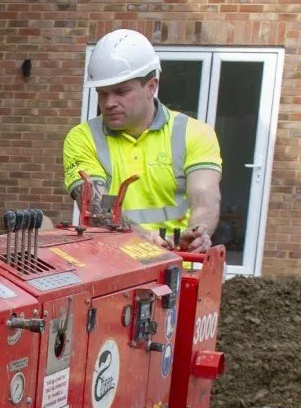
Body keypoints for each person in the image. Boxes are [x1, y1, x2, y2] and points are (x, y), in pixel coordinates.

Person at [61, 29, 222, 252]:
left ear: (151, 86)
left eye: (121, 91)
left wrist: (197, 233)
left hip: (177, 256)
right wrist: (144, 237)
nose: (109, 103)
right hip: (111, 258)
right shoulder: (83, 138)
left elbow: (205, 196)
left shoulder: (194, 133)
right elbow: (95, 210)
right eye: (102, 93)